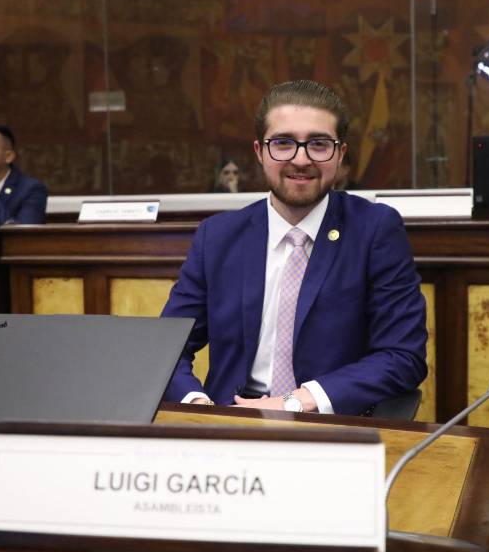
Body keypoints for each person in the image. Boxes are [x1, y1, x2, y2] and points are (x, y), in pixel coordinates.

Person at [160, 80, 427, 416]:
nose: (301, 160)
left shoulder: (374, 231)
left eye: (318, 144)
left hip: (326, 427)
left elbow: (403, 356)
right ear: (259, 152)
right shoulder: (218, 237)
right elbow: (167, 348)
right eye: (283, 143)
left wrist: (300, 400)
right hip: (229, 423)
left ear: (340, 153)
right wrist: (198, 404)